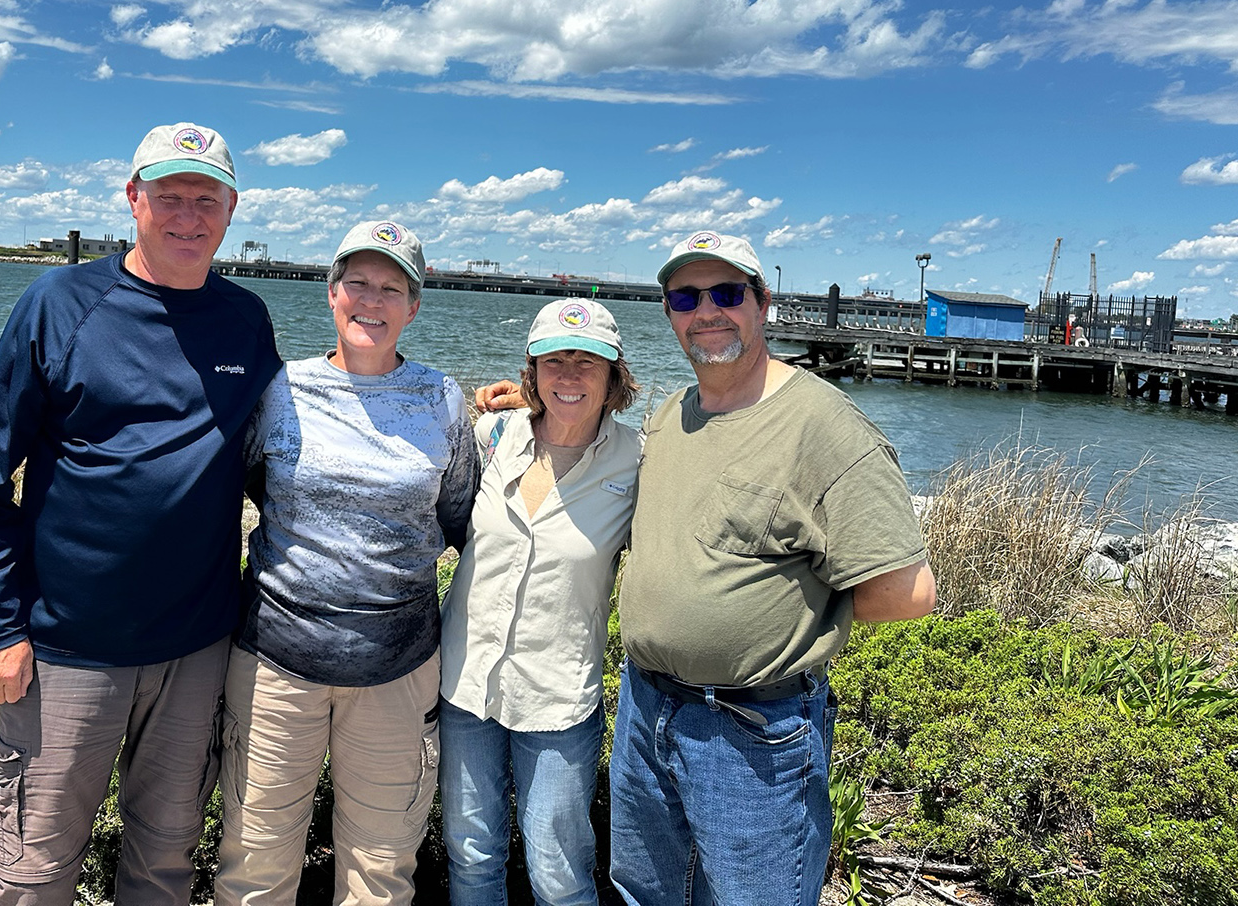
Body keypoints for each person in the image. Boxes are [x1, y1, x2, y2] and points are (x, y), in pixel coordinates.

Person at [478, 231, 935, 906]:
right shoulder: (671, 417)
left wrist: (789, 619)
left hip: (753, 730)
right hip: (645, 708)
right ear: (668, 313)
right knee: (642, 893)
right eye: (687, 297)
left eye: (726, 293)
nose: (707, 311)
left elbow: (908, 591)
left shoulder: (824, 425)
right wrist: (533, 410)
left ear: (763, 304)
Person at [0, 122, 281, 905]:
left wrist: (483, 420)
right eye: (169, 196)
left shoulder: (246, 319)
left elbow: (282, 454)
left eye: (207, 199)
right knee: (34, 870)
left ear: (232, 210)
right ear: (133, 199)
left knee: (164, 867)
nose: (188, 216)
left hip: (196, 648)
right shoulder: (59, 303)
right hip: (65, 647)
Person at [214, 221, 479, 906]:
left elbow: (458, 518)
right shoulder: (281, 390)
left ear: (414, 306)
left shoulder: (443, 400)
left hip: (399, 672)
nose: (373, 299)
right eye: (358, 282)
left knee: (382, 874)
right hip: (275, 665)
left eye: (392, 287)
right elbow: (251, 486)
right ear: (331, 293)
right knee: (254, 866)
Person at [437, 298, 641, 906]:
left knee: (559, 872)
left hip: (559, 694)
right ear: (532, 372)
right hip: (466, 682)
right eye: (555, 360)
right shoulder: (491, 434)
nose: (570, 375)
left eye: (588, 361)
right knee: (472, 855)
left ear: (614, 376)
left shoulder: (637, 460)